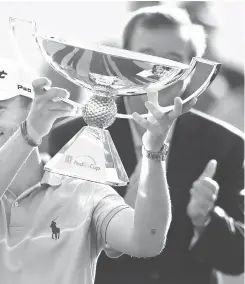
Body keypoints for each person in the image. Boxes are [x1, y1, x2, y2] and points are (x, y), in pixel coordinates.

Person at [0, 57, 196, 284]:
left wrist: (154, 149)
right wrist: (29, 132)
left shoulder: (85, 191)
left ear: (30, 108)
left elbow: (146, 241)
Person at [48, 5, 244, 284]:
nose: (158, 70)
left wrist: (206, 219)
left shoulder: (225, 144)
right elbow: (58, 240)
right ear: (121, 57)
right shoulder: (75, 133)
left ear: (191, 69)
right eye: (145, 56)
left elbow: (237, 260)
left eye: (173, 59)